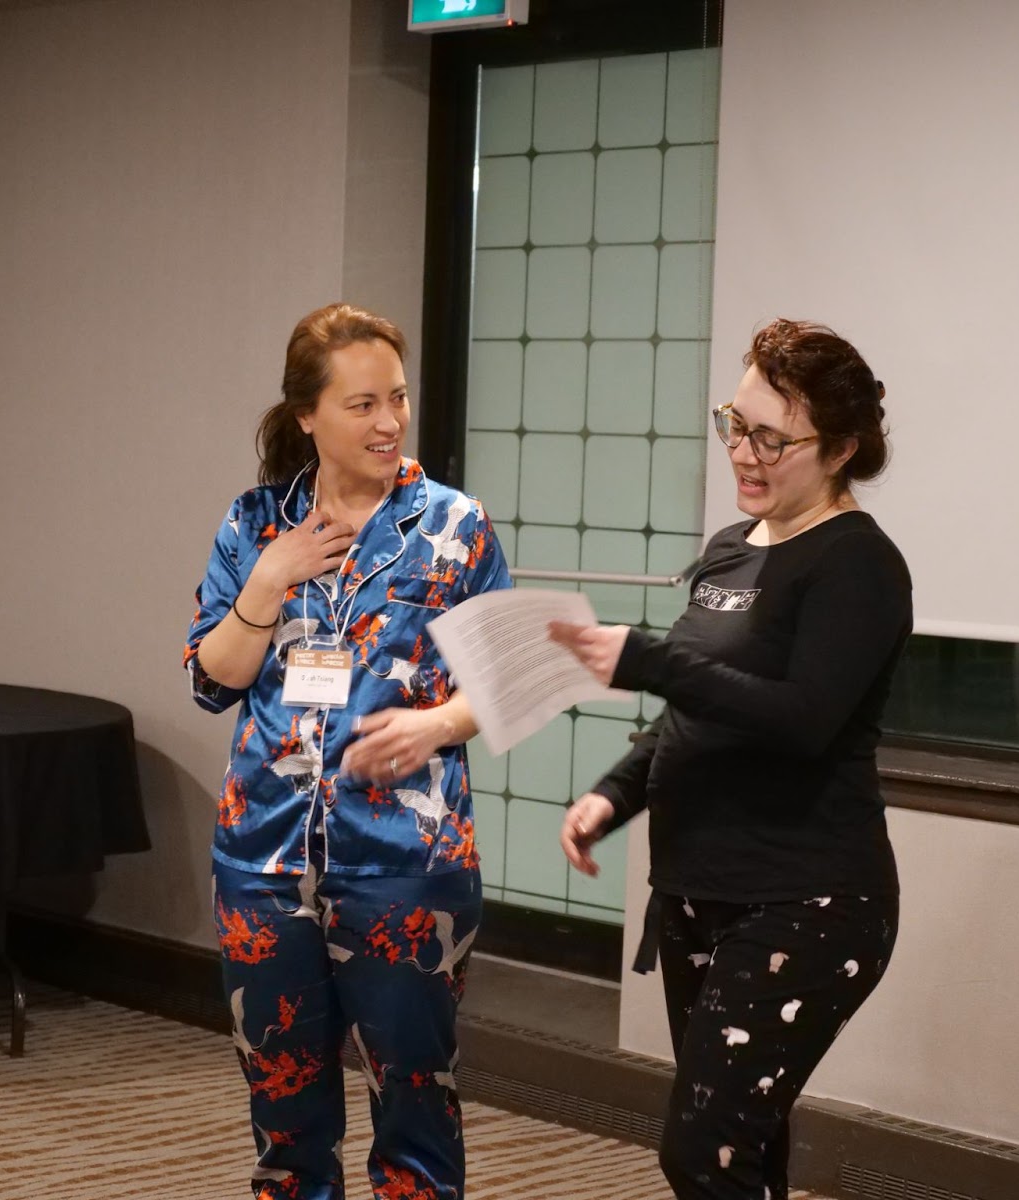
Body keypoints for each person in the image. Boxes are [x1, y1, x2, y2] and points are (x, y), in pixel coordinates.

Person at [550, 319, 910, 1200]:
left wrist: (643, 656)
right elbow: (698, 709)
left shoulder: (858, 565)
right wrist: (613, 795)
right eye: (735, 425)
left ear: (842, 449)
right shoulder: (728, 550)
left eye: (771, 438)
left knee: (704, 1149)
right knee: (747, 1143)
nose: (743, 454)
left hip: (807, 902)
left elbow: (799, 720)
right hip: (696, 892)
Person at [183, 302, 511, 1200]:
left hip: (407, 864)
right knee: (285, 1124)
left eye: (397, 399)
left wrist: (438, 725)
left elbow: (507, 678)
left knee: (416, 1112)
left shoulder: (455, 527)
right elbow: (213, 680)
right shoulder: (255, 524)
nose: (389, 422)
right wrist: (266, 579)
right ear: (307, 416)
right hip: (262, 862)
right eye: (362, 404)